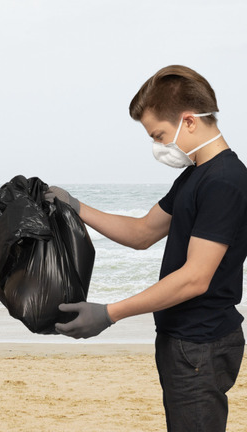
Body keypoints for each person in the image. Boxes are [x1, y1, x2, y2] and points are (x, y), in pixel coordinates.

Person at [45, 65, 246, 432]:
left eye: (159, 135)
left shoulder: (225, 181)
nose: (158, 146)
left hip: (200, 341)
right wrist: (77, 207)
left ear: (189, 121)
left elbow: (195, 279)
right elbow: (143, 232)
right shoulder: (195, 175)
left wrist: (110, 313)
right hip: (182, 338)